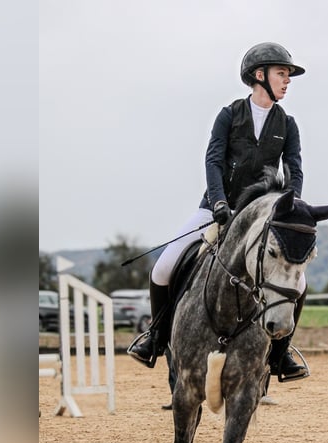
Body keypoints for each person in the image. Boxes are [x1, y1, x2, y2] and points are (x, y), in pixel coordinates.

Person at [128, 42, 309, 380]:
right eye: (282, 73)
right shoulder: (229, 115)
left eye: (288, 75)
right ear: (260, 75)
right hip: (218, 208)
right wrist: (219, 202)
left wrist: (288, 207)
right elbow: (213, 160)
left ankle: (281, 357)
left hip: (261, 216)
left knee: (298, 284)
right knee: (164, 267)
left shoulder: (288, 124)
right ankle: (155, 337)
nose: (287, 80)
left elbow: (294, 170)